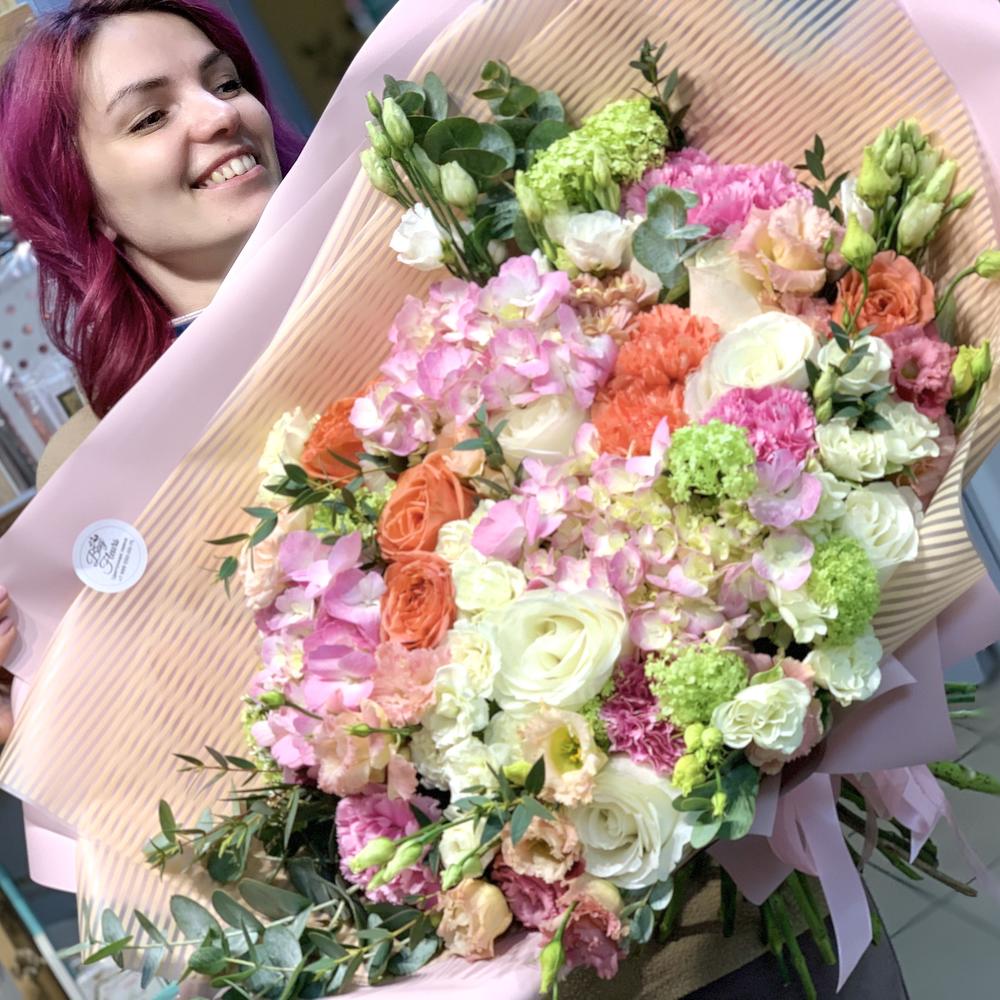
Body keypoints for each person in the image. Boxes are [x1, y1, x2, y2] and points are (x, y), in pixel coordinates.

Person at [0, 0, 305, 744]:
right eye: (150, 118)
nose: (220, 115)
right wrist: (38, 707)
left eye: (226, 83)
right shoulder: (88, 472)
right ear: (86, 204)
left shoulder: (431, 275)